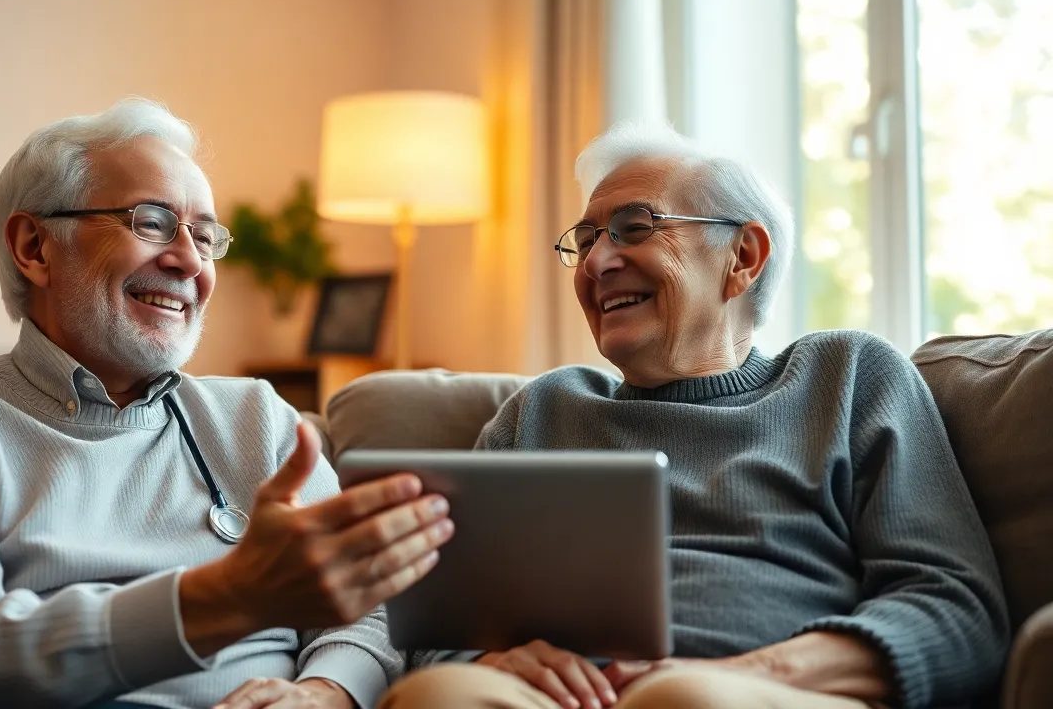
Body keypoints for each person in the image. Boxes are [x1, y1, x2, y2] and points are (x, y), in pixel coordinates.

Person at [0, 98, 454, 709]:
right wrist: (231, 594)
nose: (190, 261)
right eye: (152, 222)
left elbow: (366, 613)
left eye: (205, 237)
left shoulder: (257, 419)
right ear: (35, 247)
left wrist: (325, 693)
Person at [381, 122, 1008, 709]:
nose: (598, 263)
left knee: (679, 702)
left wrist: (753, 672)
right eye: (589, 238)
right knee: (441, 694)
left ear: (742, 257)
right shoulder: (542, 412)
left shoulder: (846, 378)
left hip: (770, 691)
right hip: (564, 700)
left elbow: (956, 608)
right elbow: (435, 626)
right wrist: (496, 660)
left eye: (634, 228)